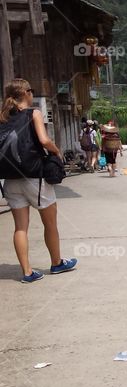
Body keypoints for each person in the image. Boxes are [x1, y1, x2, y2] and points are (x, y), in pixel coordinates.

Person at [0, 79, 78, 283]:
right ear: (26, 93)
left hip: (10, 179)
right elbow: (44, 140)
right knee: (50, 223)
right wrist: (56, 151)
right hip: (34, 177)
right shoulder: (33, 113)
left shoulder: (2, 116)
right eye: (31, 90)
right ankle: (57, 263)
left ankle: (27, 272)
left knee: (20, 228)